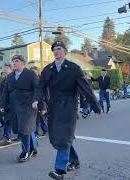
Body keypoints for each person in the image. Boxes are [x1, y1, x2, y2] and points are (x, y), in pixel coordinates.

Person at [32, 41, 101, 180]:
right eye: (54, 49)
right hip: (54, 106)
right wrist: (36, 99)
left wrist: (95, 106)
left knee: (63, 137)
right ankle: (74, 160)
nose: (56, 51)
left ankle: (60, 170)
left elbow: (85, 88)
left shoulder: (73, 68)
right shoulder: (48, 69)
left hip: (69, 106)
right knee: (58, 137)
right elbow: (40, 86)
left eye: (59, 49)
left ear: (65, 51)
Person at [1, 55, 38, 163]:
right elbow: (5, 92)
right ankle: (34, 148)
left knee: (24, 129)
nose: (14, 63)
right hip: (14, 107)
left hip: (28, 107)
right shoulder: (10, 76)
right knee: (23, 129)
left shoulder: (31, 74)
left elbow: (38, 89)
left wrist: (38, 101)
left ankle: (25, 151)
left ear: (23, 63)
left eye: (16, 61)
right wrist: (3, 105)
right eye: (13, 61)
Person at [0, 63, 14, 145]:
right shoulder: (4, 80)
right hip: (7, 104)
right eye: (4, 67)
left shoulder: (14, 77)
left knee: (15, 121)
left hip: (15, 103)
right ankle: (8, 137)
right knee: (7, 121)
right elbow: (3, 93)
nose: (5, 69)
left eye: (7, 67)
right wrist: (2, 105)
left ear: (10, 68)